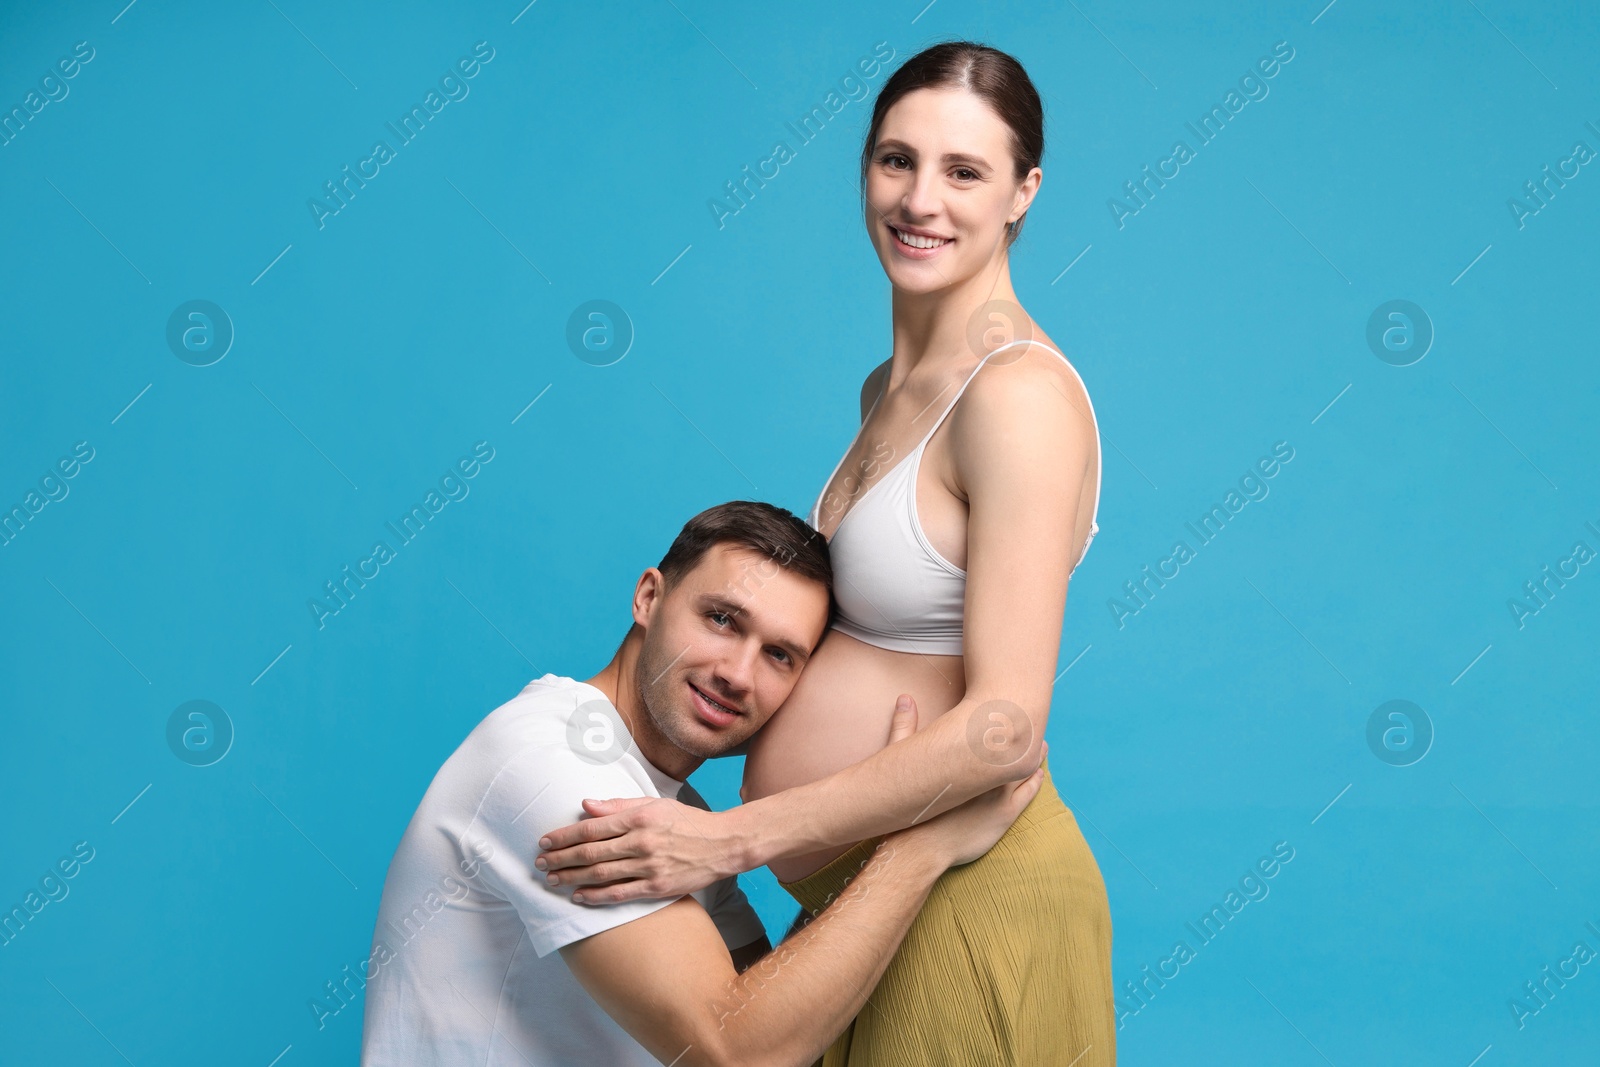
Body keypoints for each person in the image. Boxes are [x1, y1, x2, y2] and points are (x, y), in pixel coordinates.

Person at [533, 41, 1115, 1065]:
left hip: (971, 896)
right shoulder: (882, 390)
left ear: (1024, 192)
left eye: (964, 171)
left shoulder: (1017, 396)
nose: (919, 199)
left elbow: (1005, 726)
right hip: (866, 906)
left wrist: (730, 838)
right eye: (896, 160)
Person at [359, 501, 1046, 1066]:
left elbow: (788, 1022)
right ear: (649, 596)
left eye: (779, 654)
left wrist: (871, 840)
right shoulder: (553, 761)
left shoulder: (682, 823)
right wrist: (916, 849)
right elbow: (739, 1049)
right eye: (722, 619)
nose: (738, 674)